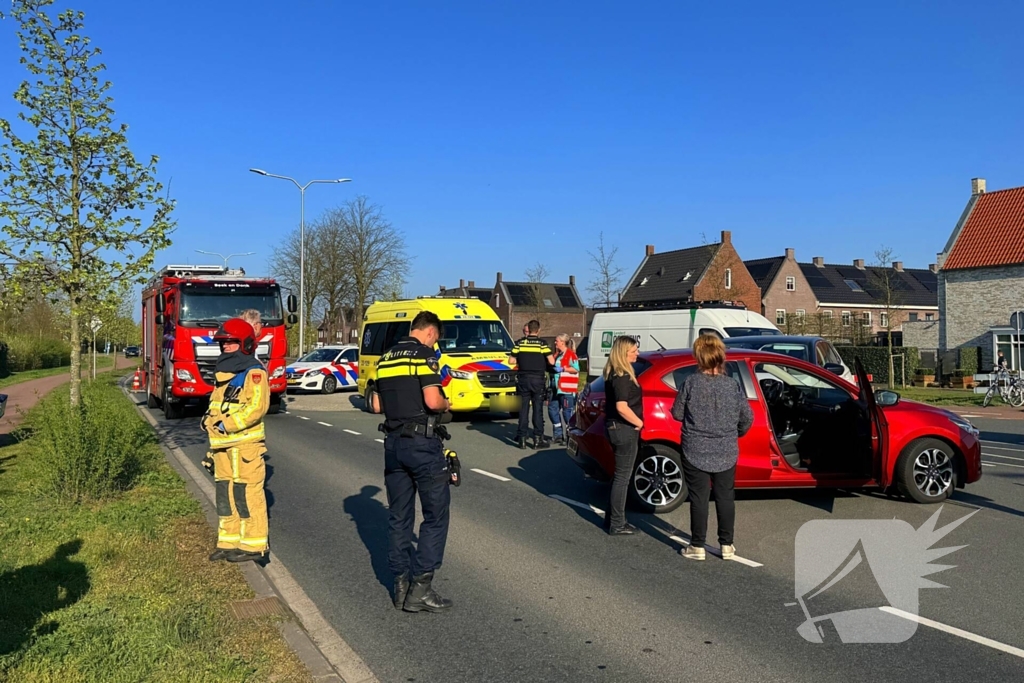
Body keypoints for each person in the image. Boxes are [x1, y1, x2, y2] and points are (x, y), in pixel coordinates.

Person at [370, 311, 454, 613]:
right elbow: (433, 401)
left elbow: (377, 405)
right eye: (436, 338)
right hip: (422, 445)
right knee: (434, 516)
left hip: (393, 445)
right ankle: (421, 589)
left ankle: (400, 584)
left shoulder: (386, 359)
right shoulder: (424, 356)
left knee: (399, 516)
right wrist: (446, 403)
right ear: (431, 332)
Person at [671, 334, 753, 561]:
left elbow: (677, 413)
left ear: (699, 357)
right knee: (725, 496)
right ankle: (727, 544)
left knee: (699, 497)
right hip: (726, 447)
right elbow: (747, 416)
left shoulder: (690, 383)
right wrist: (735, 434)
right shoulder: (732, 385)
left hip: (695, 447)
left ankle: (697, 545)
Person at [203, 318, 271, 563]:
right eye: (223, 342)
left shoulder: (253, 371)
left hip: (245, 447)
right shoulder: (224, 372)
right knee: (226, 495)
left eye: (231, 342)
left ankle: (253, 545)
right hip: (222, 446)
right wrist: (208, 420)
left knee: (247, 495)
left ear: (245, 344)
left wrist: (226, 424)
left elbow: (257, 407)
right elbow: (218, 404)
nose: (225, 347)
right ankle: (229, 542)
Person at [603, 336, 644, 536]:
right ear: (623, 352)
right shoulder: (622, 376)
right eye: (634, 350)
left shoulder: (614, 373)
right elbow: (621, 406)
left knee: (619, 475)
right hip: (623, 429)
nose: (637, 353)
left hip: (616, 428)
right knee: (622, 478)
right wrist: (639, 422)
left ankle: (611, 518)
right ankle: (618, 523)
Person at [509, 320, 554, 449]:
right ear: (538, 330)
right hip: (537, 379)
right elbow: (551, 361)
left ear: (528, 329)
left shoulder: (520, 343)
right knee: (537, 409)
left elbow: (511, 360)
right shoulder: (542, 344)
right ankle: (537, 439)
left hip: (523, 378)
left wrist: (522, 361)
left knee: (523, 409)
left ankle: (522, 438)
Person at [548, 334, 580, 445]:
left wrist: (563, 368)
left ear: (562, 342)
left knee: (567, 413)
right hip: (555, 387)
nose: (555, 343)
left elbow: (576, 369)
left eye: (556, 341)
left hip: (566, 388)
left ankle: (570, 436)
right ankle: (558, 435)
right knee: (552, 410)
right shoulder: (557, 354)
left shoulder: (571, 355)